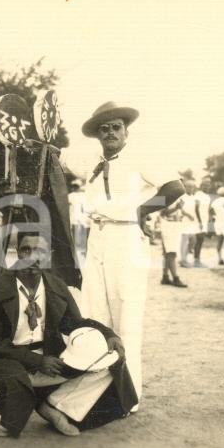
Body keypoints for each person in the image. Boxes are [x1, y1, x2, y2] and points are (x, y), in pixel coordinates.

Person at [0, 233, 137, 437]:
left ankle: (54, 406)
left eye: (40, 252)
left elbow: (76, 323)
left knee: (108, 361)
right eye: (26, 250)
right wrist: (36, 361)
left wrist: (108, 334)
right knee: (6, 427)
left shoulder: (55, 285)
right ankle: (9, 408)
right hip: (8, 359)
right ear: (17, 253)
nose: (32, 257)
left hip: (48, 358)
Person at [78, 101, 184, 406]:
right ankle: (100, 392)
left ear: (126, 131)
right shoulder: (95, 164)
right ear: (97, 135)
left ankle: (128, 395)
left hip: (125, 237)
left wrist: (143, 210)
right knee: (95, 314)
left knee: (126, 315)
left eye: (116, 127)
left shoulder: (140, 157)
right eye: (104, 129)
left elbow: (175, 187)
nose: (110, 133)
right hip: (98, 237)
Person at [157, 199, 187, 287]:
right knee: (171, 253)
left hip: (174, 225)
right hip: (168, 226)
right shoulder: (167, 197)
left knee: (168, 253)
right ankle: (175, 278)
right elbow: (163, 212)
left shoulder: (178, 197)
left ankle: (165, 277)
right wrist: (176, 208)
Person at [177, 179, 202, 268]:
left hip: (192, 222)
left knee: (193, 240)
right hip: (184, 220)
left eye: (192, 187)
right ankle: (183, 260)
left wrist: (199, 221)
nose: (190, 188)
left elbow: (196, 210)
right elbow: (180, 209)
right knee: (184, 240)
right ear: (185, 187)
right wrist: (188, 215)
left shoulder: (194, 198)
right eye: (189, 187)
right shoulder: (182, 197)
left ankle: (185, 257)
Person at [67, 179, 91, 263]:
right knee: (83, 244)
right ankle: (82, 261)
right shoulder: (84, 195)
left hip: (78, 222)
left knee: (79, 244)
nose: (74, 188)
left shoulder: (71, 196)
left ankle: (80, 262)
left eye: (75, 187)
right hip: (84, 222)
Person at [192, 177, 213, 267]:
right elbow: (196, 208)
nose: (207, 187)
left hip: (204, 221)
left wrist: (209, 220)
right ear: (201, 186)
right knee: (198, 240)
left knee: (200, 240)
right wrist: (199, 221)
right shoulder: (198, 194)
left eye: (208, 185)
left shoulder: (208, 197)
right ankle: (196, 260)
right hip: (198, 221)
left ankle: (197, 259)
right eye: (205, 185)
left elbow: (208, 209)